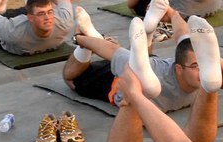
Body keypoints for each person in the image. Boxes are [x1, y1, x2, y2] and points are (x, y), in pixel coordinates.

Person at [63, 8, 203, 113]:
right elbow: (113, 51)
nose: (202, 70)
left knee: (142, 62)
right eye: (196, 66)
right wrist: (78, 39)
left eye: (203, 64)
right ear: (179, 69)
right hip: (117, 79)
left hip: (151, 67)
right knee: (71, 78)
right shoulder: (151, 70)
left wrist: (171, 12)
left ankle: (148, 32)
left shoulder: (208, 73)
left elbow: (183, 36)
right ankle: (89, 36)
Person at [0, 0, 75, 56]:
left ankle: (31, 0)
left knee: (42, 9)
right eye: (42, 14)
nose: (47, 17)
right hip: (16, 27)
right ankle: (2, 8)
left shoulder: (64, 22)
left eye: (50, 12)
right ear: (30, 17)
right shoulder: (13, 32)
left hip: (32, 16)